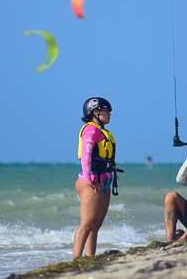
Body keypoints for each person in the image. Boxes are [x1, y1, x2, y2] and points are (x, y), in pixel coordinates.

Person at [73, 97, 121, 259]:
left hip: (104, 181)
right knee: (87, 224)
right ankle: (76, 260)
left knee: (95, 226)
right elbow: (85, 157)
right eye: (107, 111)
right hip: (91, 181)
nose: (109, 115)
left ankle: (90, 258)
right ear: (95, 111)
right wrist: (89, 180)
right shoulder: (91, 130)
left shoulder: (103, 131)